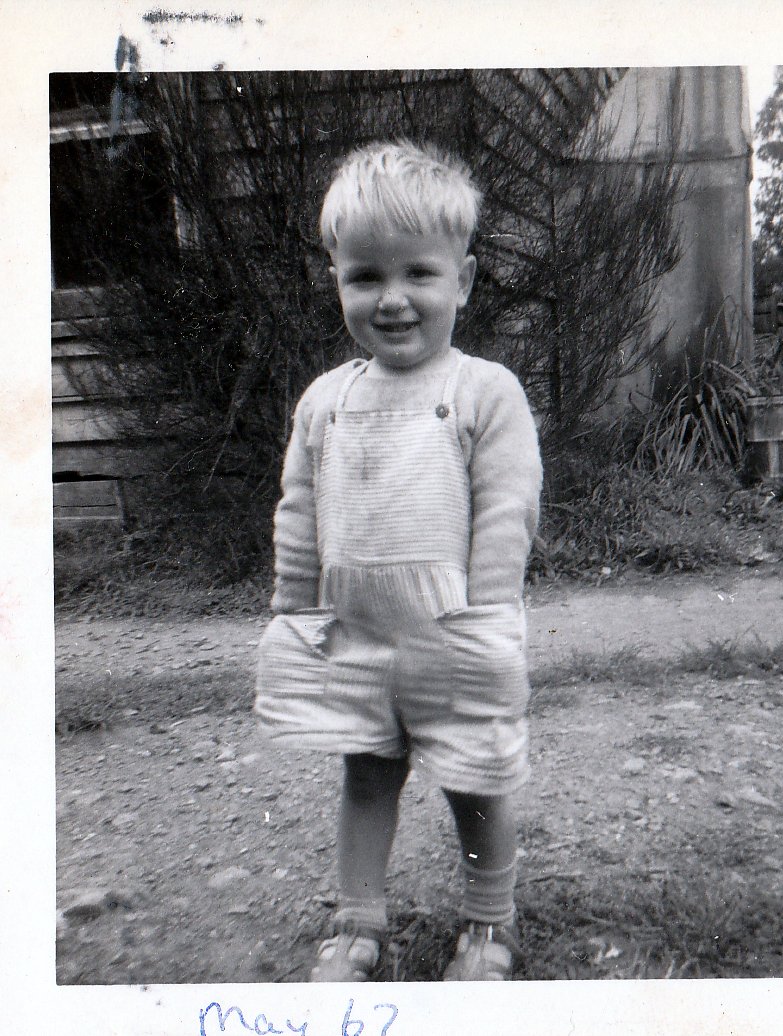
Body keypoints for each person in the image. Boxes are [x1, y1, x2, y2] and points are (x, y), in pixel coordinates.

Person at [255, 141, 543, 982]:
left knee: (474, 779)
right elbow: (300, 508)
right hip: (359, 634)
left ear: (465, 279)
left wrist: (487, 616)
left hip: (454, 634)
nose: (392, 298)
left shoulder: (484, 390)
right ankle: (357, 921)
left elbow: (507, 508)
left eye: (418, 273)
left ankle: (489, 925)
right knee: (366, 772)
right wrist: (294, 607)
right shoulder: (326, 401)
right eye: (365, 277)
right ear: (337, 281)